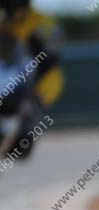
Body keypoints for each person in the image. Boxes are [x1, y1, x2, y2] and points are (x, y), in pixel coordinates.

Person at [0, 0, 63, 158]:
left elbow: (49, 62)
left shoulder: (43, 23)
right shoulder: (4, 22)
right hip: (10, 78)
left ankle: (23, 129)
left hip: (41, 83)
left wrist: (30, 97)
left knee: (21, 147)